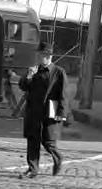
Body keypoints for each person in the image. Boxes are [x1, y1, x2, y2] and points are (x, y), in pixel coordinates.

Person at [19, 44, 66, 178]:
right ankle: (32, 169)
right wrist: (28, 77)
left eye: (42, 55)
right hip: (33, 111)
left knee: (48, 141)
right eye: (39, 55)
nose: (39, 58)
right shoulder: (34, 70)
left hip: (49, 112)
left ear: (49, 56)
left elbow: (64, 94)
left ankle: (58, 158)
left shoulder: (58, 72)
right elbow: (23, 86)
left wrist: (61, 113)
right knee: (32, 139)